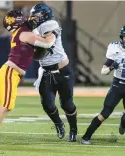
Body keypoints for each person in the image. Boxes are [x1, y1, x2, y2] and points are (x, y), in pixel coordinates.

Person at [0, 9, 57, 144]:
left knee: (0, 105)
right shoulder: (24, 33)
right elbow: (47, 43)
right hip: (11, 71)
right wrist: (54, 33)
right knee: (6, 105)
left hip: (10, 71)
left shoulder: (20, 33)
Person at [30, 4, 78, 142]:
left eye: (36, 15)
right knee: (47, 105)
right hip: (46, 72)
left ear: (44, 15)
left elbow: (49, 42)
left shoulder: (50, 24)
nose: (34, 18)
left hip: (63, 71)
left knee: (67, 104)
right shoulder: (33, 29)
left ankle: (73, 130)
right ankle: (59, 124)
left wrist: (32, 42)